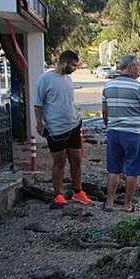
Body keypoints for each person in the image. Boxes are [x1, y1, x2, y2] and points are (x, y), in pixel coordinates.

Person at [34, 50, 93, 208]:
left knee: (77, 160)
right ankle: (58, 195)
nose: (75, 68)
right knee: (59, 162)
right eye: (74, 65)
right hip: (55, 129)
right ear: (65, 63)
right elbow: (38, 105)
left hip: (73, 125)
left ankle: (78, 191)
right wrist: (39, 124)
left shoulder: (68, 79)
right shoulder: (45, 80)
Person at [102, 54, 140, 212]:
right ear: (130, 67)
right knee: (132, 169)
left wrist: (109, 124)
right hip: (133, 133)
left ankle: (109, 203)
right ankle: (127, 204)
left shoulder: (108, 86)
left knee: (113, 169)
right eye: (138, 65)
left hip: (113, 132)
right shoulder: (137, 87)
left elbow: (104, 111)